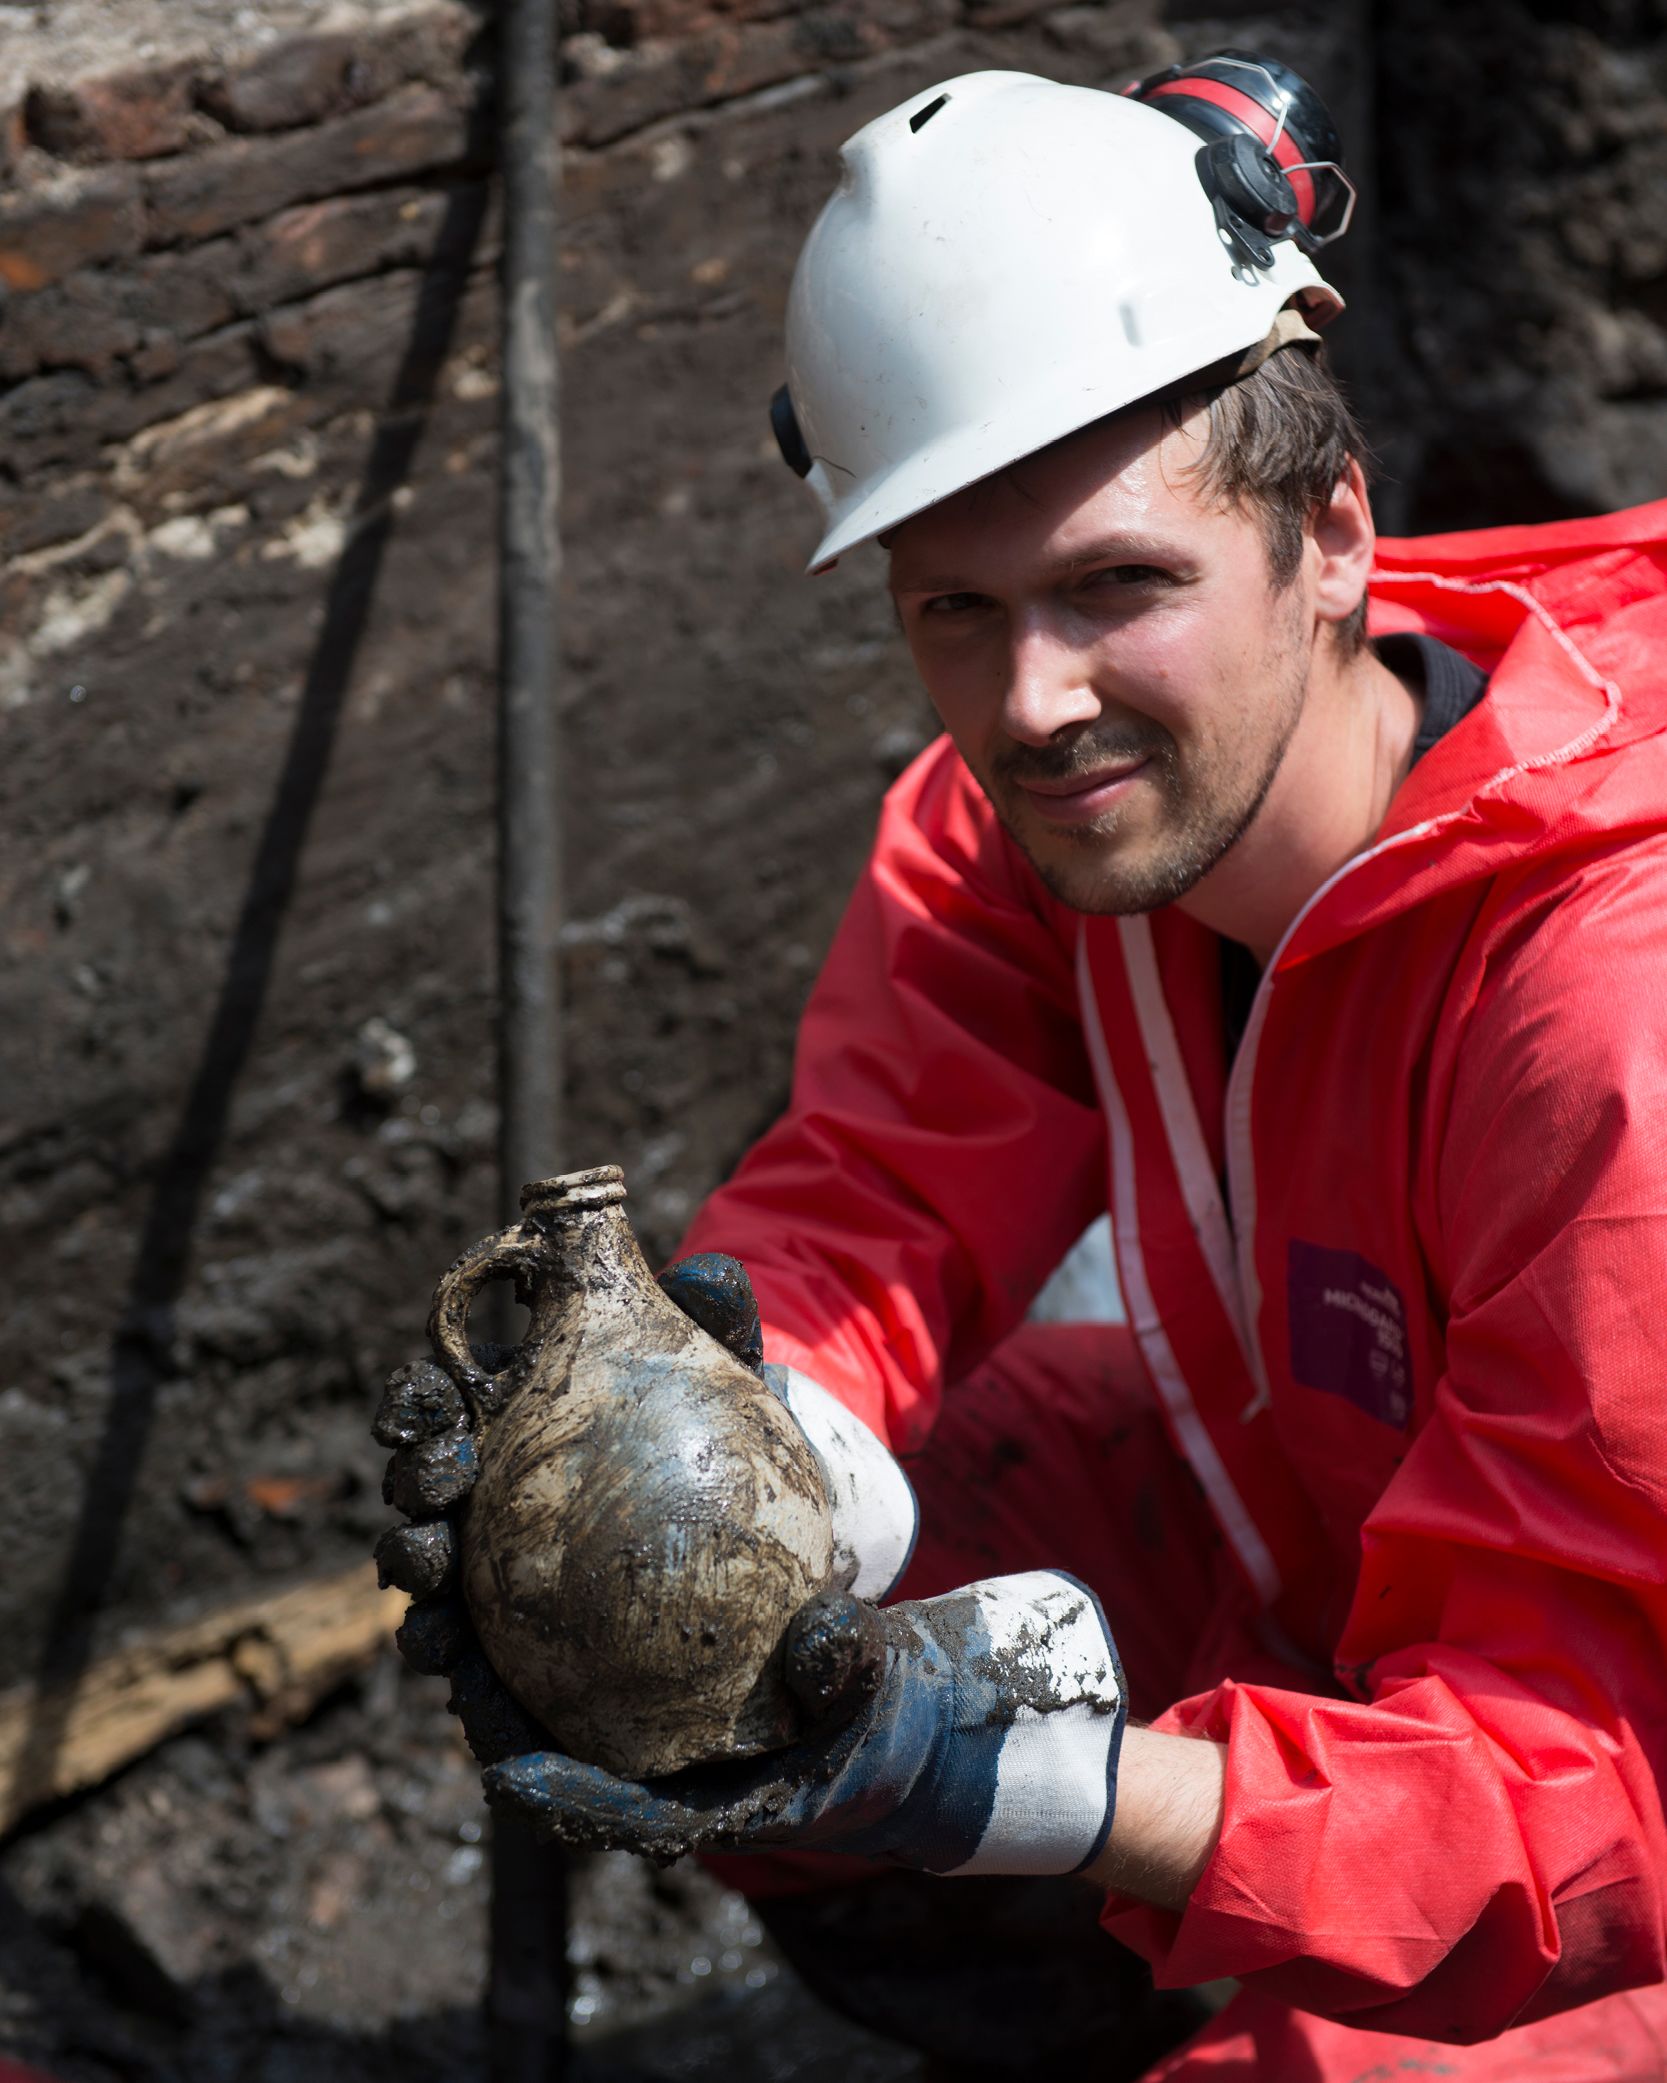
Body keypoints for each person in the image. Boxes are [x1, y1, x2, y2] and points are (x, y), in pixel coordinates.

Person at [376, 54, 1667, 2081]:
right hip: (1344, 1574)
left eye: (1116, 587)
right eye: (958, 611)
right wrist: (665, 1472)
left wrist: (1017, 1779)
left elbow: (1579, 1780)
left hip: (1604, 1811)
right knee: (747, 1632)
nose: (1034, 702)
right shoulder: (1055, 837)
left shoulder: (1606, 1023)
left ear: (1333, 532)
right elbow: (878, 1198)